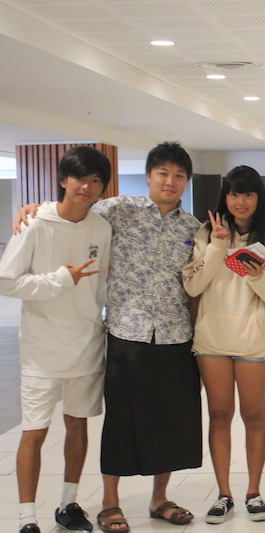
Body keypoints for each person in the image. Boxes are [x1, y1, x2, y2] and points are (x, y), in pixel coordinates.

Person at [16, 142, 203, 532]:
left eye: (178, 175)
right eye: (162, 173)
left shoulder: (193, 227)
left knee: (169, 420)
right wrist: (32, 208)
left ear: (186, 181)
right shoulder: (118, 209)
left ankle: (160, 498)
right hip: (126, 332)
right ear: (149, 176)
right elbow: (73, 208)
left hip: (175, 334)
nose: (170, 181)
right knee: (120, 420)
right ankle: (110, 503)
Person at [2, 147, 111, 533]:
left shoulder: (101, 227)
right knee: (34, 430)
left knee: (78, 424)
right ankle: (27, 517)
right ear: (63, 180)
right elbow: (6, 281)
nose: (87, 187)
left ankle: (68, 504)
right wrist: (61, 279)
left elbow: (102, 286)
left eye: (96, 181)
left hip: (86, 342)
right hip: (41, 348)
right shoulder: (35, 223)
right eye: (80, 178)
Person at [182, 166, 265, 524]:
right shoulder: (206, 233)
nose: (240, 201)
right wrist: (217, 246)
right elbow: (193, 286)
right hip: (212, 340)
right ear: (224, 197)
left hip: (255, 343)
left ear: (259, 197)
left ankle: (254, 493)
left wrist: (258, 277)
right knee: (219, 416)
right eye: (233, 193)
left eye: (247, 193)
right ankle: (224, 494)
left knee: (254, 416)